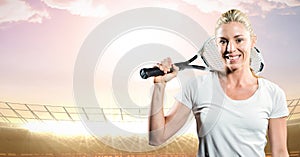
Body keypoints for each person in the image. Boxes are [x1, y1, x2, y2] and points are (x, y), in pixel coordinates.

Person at [148, 9, 289, 157]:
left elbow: (280, 152)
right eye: (223, 41)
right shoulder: (196, 87)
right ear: (217, 44)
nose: (231, 49)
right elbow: (157, 137)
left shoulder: (273, 94)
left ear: (253, 41)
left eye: (239, 40)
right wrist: (159, 85)